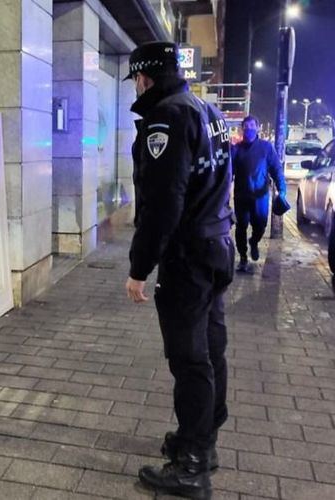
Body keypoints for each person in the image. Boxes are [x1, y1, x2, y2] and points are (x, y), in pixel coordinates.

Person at [124, 41, 234, 500]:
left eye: (135, 78)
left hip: (188, 257)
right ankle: (202, 442)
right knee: (210, 348)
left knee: (189, 359)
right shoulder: (208, 111)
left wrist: (139, 267)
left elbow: (164, 203)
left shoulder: (166, 118)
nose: (135, 85)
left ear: (145, 76)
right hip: (217, 245)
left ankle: (190, 466)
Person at [231, 115, 286, 272]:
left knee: (260, 225)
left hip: (261, 197)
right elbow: (228, 174)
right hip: (241, 196)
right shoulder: (236, 150)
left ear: (258, 128)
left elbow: (276, 169)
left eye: (252, 126)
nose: (249, 129)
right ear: (242, 129)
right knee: (241, 227)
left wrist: (282, 190)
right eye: (246, 126)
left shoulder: (266, 148)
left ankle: (254, 242)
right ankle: (242, 257)